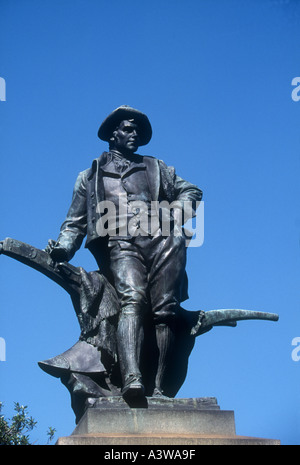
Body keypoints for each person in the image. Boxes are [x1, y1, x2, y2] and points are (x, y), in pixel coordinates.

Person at [48, 105, 203, 400]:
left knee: (164, 311)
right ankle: (132, 377)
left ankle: (159, 389)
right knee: (133, 298)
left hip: (163, 240)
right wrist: (64, 248)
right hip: (121, 242)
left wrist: (174, 214)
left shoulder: (157, 167)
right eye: (128, 129)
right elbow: (74, 223)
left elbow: (192, 191)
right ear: (112, 135)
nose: (135, 135)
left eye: (137, 130)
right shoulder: (90, 177)